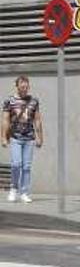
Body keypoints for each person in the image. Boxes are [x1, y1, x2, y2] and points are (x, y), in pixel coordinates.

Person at [2, 76, 42, 204]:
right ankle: (13, 189)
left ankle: (24, 192)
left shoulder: (34, 101)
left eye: (26, 86)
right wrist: (3, 137)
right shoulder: (10, 101)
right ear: (17, 86)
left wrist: (40, 137)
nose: (24, 89)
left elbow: (37, 120)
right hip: (15, 137)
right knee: (16, 164)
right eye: (22, 86)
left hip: (29, 138)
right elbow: (5, 120)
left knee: (26, 167)